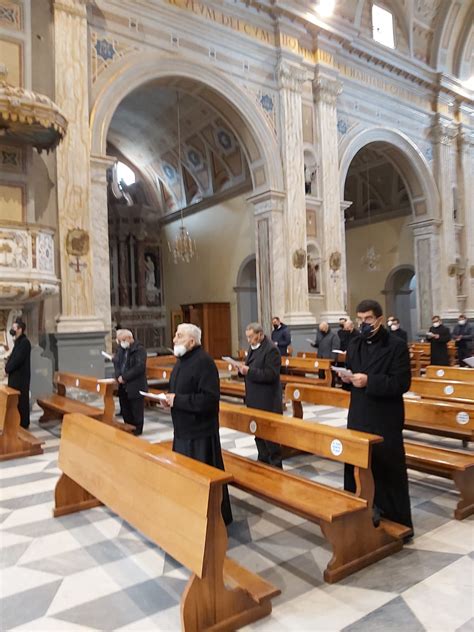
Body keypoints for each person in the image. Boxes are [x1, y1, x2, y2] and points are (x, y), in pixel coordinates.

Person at [341, 299, 413, 533]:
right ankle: (360, 513)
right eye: (360, 319)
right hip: (359, 414)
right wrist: (345, 379)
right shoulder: (354, 344)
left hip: (385, 417)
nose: (363, 324)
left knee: (387, 468)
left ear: (379, 320)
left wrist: (370, 381)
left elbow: (402, 383)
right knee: (358, 466)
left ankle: (397, 521)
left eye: (368, 319)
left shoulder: (396, 345)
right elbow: (351, 376)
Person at [161, 323, 232, 525]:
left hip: (200, 435)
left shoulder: (204, 363)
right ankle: (190, 514)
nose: (174, 339)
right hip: (183, 432)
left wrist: (178, 401)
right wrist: (169, 402)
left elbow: (209, 400)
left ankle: (211, 520)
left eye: (179, 335)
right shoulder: (181, 361)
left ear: (192, 341)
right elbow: (179, 393)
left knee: (203, 481)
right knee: (186, 479)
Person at [239, 322, 283, 468]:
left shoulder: (271, 350)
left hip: (267, 400)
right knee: (258, 433)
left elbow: (271, 375)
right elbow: (250, 367)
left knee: (270, 437)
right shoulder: (253, 348)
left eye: (251, 337)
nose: (249, 340)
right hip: (254, 398)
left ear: (259, 334)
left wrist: (248, 371)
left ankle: (275, 467)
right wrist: (241, 370)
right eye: (247, 337)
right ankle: (263, 463)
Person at [113, 329, 147, 435]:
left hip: (135, 385)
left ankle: (137, 430)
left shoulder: (139, 349)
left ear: (129, 338)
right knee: (125, 409)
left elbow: (139, 367)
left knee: (136, 410)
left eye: (122, 340)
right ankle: (128, 427)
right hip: (123, 386)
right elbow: (117, 363)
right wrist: (118, 375)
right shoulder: (121, 349)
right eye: (119, 341)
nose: (120, 343)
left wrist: (125, 377)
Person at [5, 319, 31, 429]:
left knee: (22, 401)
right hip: (15, 377)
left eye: (14, 328)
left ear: (20, 329)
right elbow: (12, 358)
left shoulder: (25, 342)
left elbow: (18, 360)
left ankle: (23, 423)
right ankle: (16, 421)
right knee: (15, 401)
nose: (12, 330)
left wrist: (8, 368)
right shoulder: (18, 341)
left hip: (21, 378)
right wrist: (7, 367)